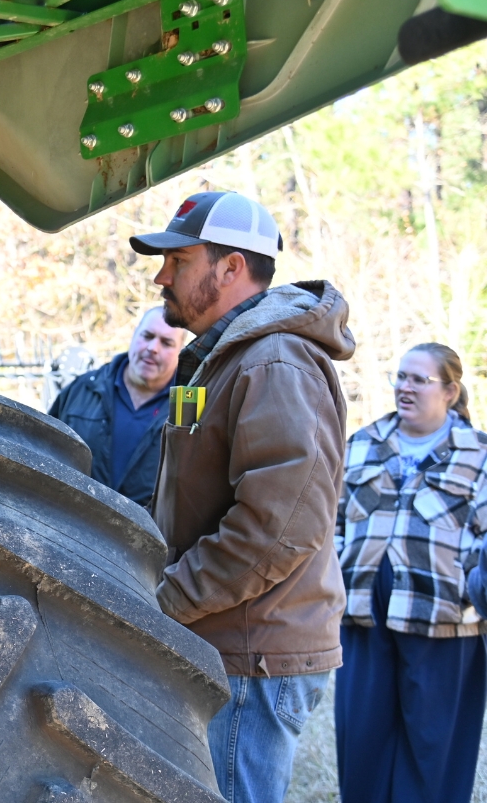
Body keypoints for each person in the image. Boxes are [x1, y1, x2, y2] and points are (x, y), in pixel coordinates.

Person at [131, 190, 353, 803]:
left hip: (252, 653)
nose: (161, 276)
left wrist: (166, 599)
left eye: (178, 261)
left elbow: (278, 529)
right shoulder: (227, 360)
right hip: (227, 638)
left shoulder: (274, 363)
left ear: (230, 268)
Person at [336, 343, 487, 803]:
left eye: (419, 379)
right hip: (364, 621)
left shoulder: (478, 455)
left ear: (450, 390)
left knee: (433, 760)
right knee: (361, 747)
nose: (405, 387)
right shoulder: (363, 445)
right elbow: (333, 525)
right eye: (400, 377)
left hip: (446, 629)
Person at [49, 308, 185, 505]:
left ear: (181, 351)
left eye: (167, 343)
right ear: (134, 335)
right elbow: (44, 453)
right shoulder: (82, 390)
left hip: (148, 534)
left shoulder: (187, 410)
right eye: (147, 336)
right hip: (72, 526)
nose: (153, 348)